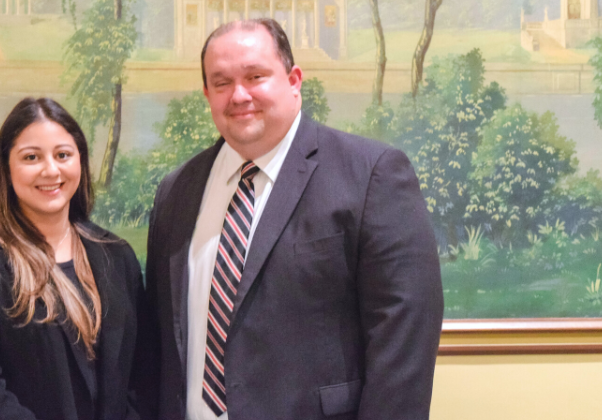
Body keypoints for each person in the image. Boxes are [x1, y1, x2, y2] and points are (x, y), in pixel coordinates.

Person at [142, 19, 444, 420]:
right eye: (222, 82)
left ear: (294, 80)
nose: (239, 95)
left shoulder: (371, 175)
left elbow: (404, 336)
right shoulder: (176, 191)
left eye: (255, 76)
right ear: (207, 94)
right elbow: (159, 343)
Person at [0, 97, 146, 420]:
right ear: (6, 168)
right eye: (31, 157)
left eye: (63, 155)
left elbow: (143, 369)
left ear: (80, 161)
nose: (51, 170)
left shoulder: (116, 256)